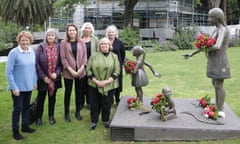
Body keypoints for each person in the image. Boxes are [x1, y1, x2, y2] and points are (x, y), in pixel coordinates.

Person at [182, 8, 230, 118]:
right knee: (215, 84)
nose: (208, 20)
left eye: (210, 17)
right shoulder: (215, 30)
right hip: (213, 59)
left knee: (219, 84)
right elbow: (205, 44)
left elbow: (217, 46)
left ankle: (220, 108)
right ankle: (218, 105)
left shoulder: (222, 29)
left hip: (220, 60)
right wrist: (192, 53)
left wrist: (207, 48)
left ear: (217, 18)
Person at [5, 31, 37, 140]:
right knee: (17, 108)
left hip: (28, 85)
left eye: (27, 40)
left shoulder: (31, 51)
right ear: (19, 41)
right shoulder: (14, 53)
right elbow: (8, 72)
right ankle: (15, 131)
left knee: (26, 107)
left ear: (30, 41)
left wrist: (34, 81)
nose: (25, 42)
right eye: (22, 40)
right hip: (17, 88)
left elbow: (33, 69)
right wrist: (14, 87)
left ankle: (25, 126)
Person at [86, 37, 120, 130]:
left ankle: (105, 120)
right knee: (94, 104)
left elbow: (117, 72)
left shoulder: (114, 57)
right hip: (94, 84)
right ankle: (94, 121)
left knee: (107, 104)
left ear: (109, 45)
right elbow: (88, 70)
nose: (104, 45)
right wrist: (97, 81)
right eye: (102, 44)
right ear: (99, 46)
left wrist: (106, 82)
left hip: (110, 85)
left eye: (106, 44)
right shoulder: (93, 56)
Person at [60, 24, 87, 122]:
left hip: (81, 72)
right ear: (67, 32)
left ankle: (77, 112)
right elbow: (63, 58)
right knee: (68, 92)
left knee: (79, 93)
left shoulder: (81, 42)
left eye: (73, 30)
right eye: (70, 30)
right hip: (68, 73)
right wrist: (71, 70)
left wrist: (81, 68)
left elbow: (85, 57)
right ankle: (67, 113)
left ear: (76, 31)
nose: (72, 32)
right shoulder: (63, 43)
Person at [35, 28, 62, 126]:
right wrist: (43, 77)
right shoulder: (40, 47)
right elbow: (37, 63)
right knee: (41, 98)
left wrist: (57, 73)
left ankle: (51, 116)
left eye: (52, 35)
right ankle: (38, 118)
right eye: (49, 35)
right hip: (43, 79)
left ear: (55, 37)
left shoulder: (59, 47)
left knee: (52, 98)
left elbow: (60, 63)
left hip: (55, 78)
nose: (50, 37)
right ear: (46, 36)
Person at [80, 22, 99, 109]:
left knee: (90, 85)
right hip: (80, 66)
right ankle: (80, 103)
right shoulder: (79, 39)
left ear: (91, 30)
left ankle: (89, 102)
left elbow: (99, 52)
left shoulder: (95, 39)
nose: (87, 29)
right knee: (81, 85)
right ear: (83, 29)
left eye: (89, 28)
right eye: (86, 28)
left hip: (92, 66)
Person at [106, 24, 125, 106]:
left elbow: (123, 54)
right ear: (107, 33)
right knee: (109, 82)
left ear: (115, 33)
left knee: (117, 82)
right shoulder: (104, 41)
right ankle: (110, 100)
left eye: (112, 32)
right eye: (109, 32)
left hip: (117, 66)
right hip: (106, 66)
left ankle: (117, 99)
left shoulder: (120, 43)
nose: (111, 34)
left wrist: (120, 63)